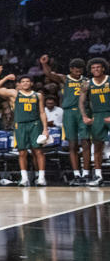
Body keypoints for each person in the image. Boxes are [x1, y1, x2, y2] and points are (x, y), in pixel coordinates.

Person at [0, 68, 48, 187]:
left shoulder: (38, 95)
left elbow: (42, 112)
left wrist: (45, 129)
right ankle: (24, 178)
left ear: (31, 83)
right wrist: (6, 78)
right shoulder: (14, 93)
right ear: (20, 84)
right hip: (20, 125)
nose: (25, 83)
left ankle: (41, 178)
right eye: (23, 82)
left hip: (35, 124)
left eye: (28, 81)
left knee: (38, 151)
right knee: (22, 152)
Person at [41, 55, 91, 185]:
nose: (78, 70)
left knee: (86, 142)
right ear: (71, 69)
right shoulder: (64, 78)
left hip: (83, 112)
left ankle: (86, 173)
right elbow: (48, 73)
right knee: (72, 145)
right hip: (68, 113)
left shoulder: (86, 81)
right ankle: (76, 174)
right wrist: (45, 64)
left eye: (80, 68)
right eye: (75, 68)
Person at [80, 57, 110, 187]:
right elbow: (81, 101)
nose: (96, 69)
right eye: (93, 68)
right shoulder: (87, 83)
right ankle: (98, 176)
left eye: (98, 67)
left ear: (103, 68)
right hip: (97, 116)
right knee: (97, 146)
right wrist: (84, 116)